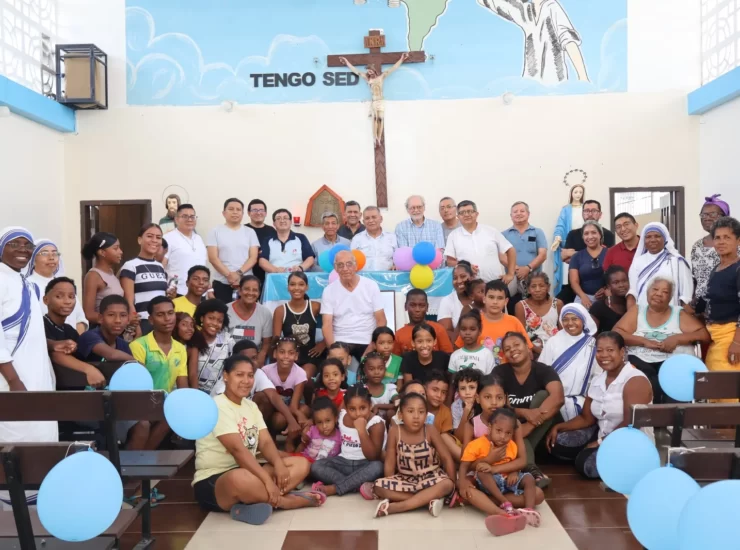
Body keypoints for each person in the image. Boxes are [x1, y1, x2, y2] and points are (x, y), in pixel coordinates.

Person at [192, 354, 322, 523]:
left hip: (249, 471)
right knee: (240, 478)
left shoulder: (251, 406)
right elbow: (237, 451)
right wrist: (267, 480)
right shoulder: (217, 406)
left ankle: (251, 503)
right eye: (239, 375)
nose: (246, 381)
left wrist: (278, 464)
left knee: (301, 464)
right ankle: (286, 501)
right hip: (215, 480)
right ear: (226, 376)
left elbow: (266, 442)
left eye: (250, 375)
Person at [545, 332, 653, 480]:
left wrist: (600, 442)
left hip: (630, 442)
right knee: (557, 443)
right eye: (599, 350)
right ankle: (591, 453)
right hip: (603, 435)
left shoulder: (635, 380)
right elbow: (586, 418)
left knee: (586, 465)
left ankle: (624, 463)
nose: (604, 355)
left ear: (622, 351)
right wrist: (559, 427)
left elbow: (632, 423)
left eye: (610, 350)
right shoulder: (598, 380)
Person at [615, 277, 711, 403]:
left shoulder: (678, 313)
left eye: (665, 292)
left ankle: (673, 413)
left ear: (670, 297)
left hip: (674, 362)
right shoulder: (638, 310)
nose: (659, 294)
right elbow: (617, 334)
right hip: (641, 360)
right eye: (655, 289)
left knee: (673, 384)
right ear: (647, 292)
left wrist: (677, 339)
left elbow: (704, 335)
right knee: (643, 378)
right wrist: (644, 341)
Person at [457, 377, 533, 536]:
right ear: (478, 398)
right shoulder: (472, 424)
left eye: (499, 398)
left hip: (505, 476)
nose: (494, 402)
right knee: (468, 489)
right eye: (487, 397)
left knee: (537, 494)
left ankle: (487, 503)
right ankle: (502, 513)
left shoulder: (514, 424)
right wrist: (488, 460)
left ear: (505, 398)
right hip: (482, 477)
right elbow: (466, 462)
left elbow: (522, 460)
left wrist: (499, 469)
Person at [495, 332, 565, 487]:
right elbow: (496, 403)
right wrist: (523, 413)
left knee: (543, 396)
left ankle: (522, 461)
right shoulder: (500, 372)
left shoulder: (543, 370)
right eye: (507, 349)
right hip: (513, 431)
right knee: (509, 425)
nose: (513, 350)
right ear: (504, 354)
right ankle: (532, 470)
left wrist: (530, 424)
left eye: (517, 345)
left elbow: (558, 397)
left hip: (542, 433)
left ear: (528, 347)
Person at [460, 408, 543, 535]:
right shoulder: (477, 445)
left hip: (508, 481)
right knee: (482, 472)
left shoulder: (511, 445)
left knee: (529, 478)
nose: (503, 437)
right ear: (490, 427)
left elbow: (516, 463)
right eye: (499, 431)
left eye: (508, 433)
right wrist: (462, 482)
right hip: (491, 483)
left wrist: (514, 472)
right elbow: (464, 465)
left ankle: (528, 511)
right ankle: (504, 502)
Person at [372, 392, 456, 518]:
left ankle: (400, 506)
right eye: (410, 411)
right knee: (378, 487)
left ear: (426, 415)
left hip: (431, 478)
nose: (416, 416)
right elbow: (390, 461)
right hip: (406, 479)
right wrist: (390, 482)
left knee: (447, 484)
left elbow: (446, 458)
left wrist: (453, 486)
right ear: (400, 415)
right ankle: (426, 500)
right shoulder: (395, 431)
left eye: (421, 412)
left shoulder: (430, 430)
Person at [210, 339, 303, 443]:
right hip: (224, 426)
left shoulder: (257, 372)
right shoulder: (223, 386)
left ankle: (262, 439)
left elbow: (273, 395)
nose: (251, 362)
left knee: (264, 397)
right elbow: (223, 415)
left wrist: (291, 421)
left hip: (245, 420)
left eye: (254, 358)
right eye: (246, 358)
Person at [477, 0, 589, 85]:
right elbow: (494, 3)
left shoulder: (552, 7)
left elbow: (569, 42)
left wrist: (583, 77)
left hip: (554, 86)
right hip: (530, 86)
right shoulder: (526, 11)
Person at [309, 385, 385, 497]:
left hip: (364, 464)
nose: (358, 413)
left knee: (378, 467)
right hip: (343, 462)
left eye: (362, 408)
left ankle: (336, 488)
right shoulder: (342, 416)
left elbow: (373, 457)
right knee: (316, 466)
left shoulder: (376, 423)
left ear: (370, 406)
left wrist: (362, 431)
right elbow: (325, 419)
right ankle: (354, 484)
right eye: (352, 409)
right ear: (346, 407)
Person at [321, 250, 386, 360]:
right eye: (340, 265)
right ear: (335, 268)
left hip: (367, 340)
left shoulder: (371, 286)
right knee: (335, 366)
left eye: (349, 264)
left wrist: (373, 345)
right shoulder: (329, 290)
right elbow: (326, 325)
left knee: (372, 365)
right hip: (340, 341)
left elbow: (381, 320)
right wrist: (334, 351)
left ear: (355, 266)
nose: (345, 268)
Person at [540, 304, 600, 421]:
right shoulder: (553, 342)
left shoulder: (592, 344)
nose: (570, 323)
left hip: (583, 402)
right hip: (552, 399)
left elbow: (597, 375)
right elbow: (542, 370)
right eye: (565, 320)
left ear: (583, 320)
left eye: (574, 319)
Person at [43, 277, 106, 388]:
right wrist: (89, 369)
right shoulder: (40, 325)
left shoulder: (69, 330)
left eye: (71, 297)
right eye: (59, 296)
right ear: (46, 300)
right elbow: (55, 354)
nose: (67, 301)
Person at [455, 280, 533, 366]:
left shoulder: (514, 322)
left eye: (500, 298)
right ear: (484, 299)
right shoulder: (474, 322)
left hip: (508, 370)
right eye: (491, 297)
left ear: (506, 301)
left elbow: (527, 350)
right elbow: (459, 348)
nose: (495, 302)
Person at [445, 200, 516, 291]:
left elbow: (510, 250)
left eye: (470, 211)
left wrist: (510, 274)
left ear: (476, 214)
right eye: (462, 213)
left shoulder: (491, 231)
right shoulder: (453, 236)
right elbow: (450, 261)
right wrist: (466, 266)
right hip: (469, 286)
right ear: (458, 216)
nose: (466, 215)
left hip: (494, 283)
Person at [26, 239, 88, 333]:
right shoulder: (28, 285)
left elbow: (80, 319)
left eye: (55, 253)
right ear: (33, 259)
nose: (51, 257)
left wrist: (75, 339)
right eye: (44, 253)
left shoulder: (65, 285)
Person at [559, 200, 616, 303]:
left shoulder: (608, 235)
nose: (590, 214)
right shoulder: (573, 234)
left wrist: (576, 255)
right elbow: (565, 257)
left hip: (603, 288)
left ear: (600, 214)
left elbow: (610, 260)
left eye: (593, 211)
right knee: (558, 303)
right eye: (586, 211)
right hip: (576, 286)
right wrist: (582, 256)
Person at [704, 217, 740, 375]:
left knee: (726, 384)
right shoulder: (716, 269)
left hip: (731, 336)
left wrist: (737, 343)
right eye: (717, 238)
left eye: (727, 237)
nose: (721, 242)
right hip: (715, 336)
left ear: (738, 240)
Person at [627, 222, 693, 308]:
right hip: (643, 311)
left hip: (671, 311)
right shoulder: (637, 262)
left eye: (657, 236)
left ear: (665, 239)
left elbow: (686, 294)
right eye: (648, 237)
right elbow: (633, 292)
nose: (653, 240)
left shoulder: (677, 261)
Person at [130, 296, 189, 392]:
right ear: (151, 320)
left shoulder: (180, 348)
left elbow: (183, 390)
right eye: (160, 315)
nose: (167, 318)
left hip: (168, 401)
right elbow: (138, 387)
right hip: (143, 400)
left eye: (170, 313)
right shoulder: (138, 346)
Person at [262, 338, 311, 451]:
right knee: (279, 419)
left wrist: (298, 414)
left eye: (291, 353)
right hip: (274, 409)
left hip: (291, 406)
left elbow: (294, 406)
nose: (286, 356)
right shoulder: (266, 371)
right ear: (275, 353)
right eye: (282, 352)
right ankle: (271, 437)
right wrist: (297, 415)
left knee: (304, 410)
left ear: (296, 356)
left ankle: (290, 440)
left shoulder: (300, 373)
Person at [207, 198, 260, 303]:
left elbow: (253, 257)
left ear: (243, 213)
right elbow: (213, 258)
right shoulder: (215, 231)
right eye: (231, 209)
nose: (235, 212)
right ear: (224, 213)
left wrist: (238, 274)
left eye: (238, 209)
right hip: (222, 282)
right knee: (222, 312)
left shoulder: (250, 232)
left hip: (246, 283)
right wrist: (229, 275)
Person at [272, 271, 323, 380]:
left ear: (307, 287)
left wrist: (323, 344)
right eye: (292, 284)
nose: (296, 288)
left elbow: (332, 324)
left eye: (301, 284)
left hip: (309, 357)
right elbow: (276, 339)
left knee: (303, 377)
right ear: (288, 287)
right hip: (288, 356)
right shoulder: (280, 310)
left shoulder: (315, 307)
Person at [120, 223, 169, 335]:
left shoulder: (160, 266)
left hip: (161, 322)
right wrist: (136, 326)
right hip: (143, 322)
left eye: (158, 237)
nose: (154, 240)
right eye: (149, 236)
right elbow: (128, 301)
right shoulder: (130, 266)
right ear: (139, 240)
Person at [502, 201, 548, 312]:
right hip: (512, 280)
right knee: (512, 309)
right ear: (511, 215)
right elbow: (501, 256)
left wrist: (528, 268)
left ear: (528, 214)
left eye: (522, 211)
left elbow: (542, 255)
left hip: (534, 280)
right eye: (515, 212)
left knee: (535, 310)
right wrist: (515, 268)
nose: (519, 213)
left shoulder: (537, 232)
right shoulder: (504, 234)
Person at [691, 195, 737, 306]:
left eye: (713, 214)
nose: (707, 218)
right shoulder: (697, 246)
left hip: (728, 306)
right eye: (704, 215)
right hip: (701, 307)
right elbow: (696, 279)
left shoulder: (735, 244)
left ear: (725, 217)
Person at [188, 299, 234, 394]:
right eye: (211, 318)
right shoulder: (193, 338)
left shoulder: (227, 340)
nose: (215, 323)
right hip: (195, 390)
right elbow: (192, 374)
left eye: (219, 321)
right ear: (202, 318)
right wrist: (197, 396)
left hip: (219, 392)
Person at [227, 276, 272, 368]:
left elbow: (266, 343)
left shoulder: (265, 313)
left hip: (254, 362)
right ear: (239, 290)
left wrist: (260, 359)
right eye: (247, 289)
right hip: (229, 359)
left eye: (255, 290)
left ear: (259, 293)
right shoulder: (226, 310)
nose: (251, 293)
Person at [514, 272, 562, 356]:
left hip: (555, 349)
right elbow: (521, 334)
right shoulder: (521, 306)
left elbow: (563, 331)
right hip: (531, 351)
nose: (537, 289)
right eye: (533, 286)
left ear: (548, 287)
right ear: (528, 289)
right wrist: (536, 349)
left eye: (541, 286)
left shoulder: (557, 304)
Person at [81, 232, 124, 325]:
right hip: (102, 329)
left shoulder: (111, 273)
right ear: (102, 252)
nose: (120, 252)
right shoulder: (93, 276)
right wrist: (115, 320)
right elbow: (88, 313)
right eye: (115, 248)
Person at [76, 295, 135, 362]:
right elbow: (112, 355)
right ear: (100, 318)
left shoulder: (123, 344)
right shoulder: (89, 336)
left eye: (123, 315)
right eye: (111, 315)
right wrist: (137, 362)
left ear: (128, 320)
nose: (118, 320)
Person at [394, 289, 453, 355]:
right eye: (413, 305)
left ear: (427, 307)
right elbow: (395, 359)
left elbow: (448, 355)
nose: (417, 310)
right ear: (405, 306)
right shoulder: (399, 334)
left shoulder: (438, 329)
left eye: (422, 305)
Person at [166, 204, 208, 296]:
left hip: (200, 293)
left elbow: (203, 266)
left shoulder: (198, 239)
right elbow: (161, 265)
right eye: (185, 216)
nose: (189, 219)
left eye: (192, 217)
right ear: (176, 219)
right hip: (177, 292)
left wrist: (210, 290)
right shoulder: (168, 238)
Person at [552, 184, 585, 297]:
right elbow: (560, 225)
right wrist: (558, 237)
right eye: (575, 192)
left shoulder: (585, 208)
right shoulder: (566, 209)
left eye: (580, 192)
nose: (578, 194)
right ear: (571, 193)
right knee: (568, 270)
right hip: (570, 242)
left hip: (584, 242)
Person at [258, 209, 315, 274]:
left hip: (297, 277)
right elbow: (262, 261)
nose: (282, 221)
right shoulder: (267, 240)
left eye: (285, 218)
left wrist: (300, 268)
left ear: (290, 222)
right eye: (278, 218)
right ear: (274, 223)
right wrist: (275, 270)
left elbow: (310, 258)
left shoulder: (301, 238)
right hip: (274, 277)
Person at [568, 221, 608, 309]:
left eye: (594, 232)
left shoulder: (609, 253)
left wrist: (606, 290)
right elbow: (574, 282)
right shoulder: (576, 257)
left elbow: (615, 276)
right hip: (583, 297)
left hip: (607, 296)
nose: (590, 236)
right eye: (586, 233)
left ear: (600, 234)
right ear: (582, 237)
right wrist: (583, 297)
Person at [292, 397, 342, 463]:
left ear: (335, 419)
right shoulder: (312, 430)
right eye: (319, 422)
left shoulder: (340, 437)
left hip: (324, 466)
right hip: (305, 461)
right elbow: (302, 446)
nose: (324, 426)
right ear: (315, 422)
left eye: (328, 421)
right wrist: (294, 457)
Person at [448, 310, 496, 376]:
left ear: (480, 330)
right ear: (459, 331)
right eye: (463, 329)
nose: (467, 333)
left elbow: (490, 379)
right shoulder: (455, 355)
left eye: (472, 329)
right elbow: (452, 379)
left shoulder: (487, 354)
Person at [350, 206, 397, 271]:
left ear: (381, 219)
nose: (371, 220)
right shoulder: (357, 239)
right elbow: (351, 260)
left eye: (374, 217)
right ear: (363, 221)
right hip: (363, 277)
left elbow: (398, 259)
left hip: (388, 276)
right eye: (367, 218)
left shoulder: (392, 237)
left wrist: (396, 265)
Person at [437, 261, 474, 339]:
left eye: (463, 276)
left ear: (472, 277)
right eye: (455, 278)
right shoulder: (447, 300)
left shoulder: (482, 297)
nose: (459, 281)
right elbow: (446, 333)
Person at [245, 199, 278, 287]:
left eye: (261, 210)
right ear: (248, 213)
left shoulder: (272, 231)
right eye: (254, 210)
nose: (258, 213)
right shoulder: (243, 230)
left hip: (268, 273)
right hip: (247, 272)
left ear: (266, 213)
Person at [589, 266, 629, 333]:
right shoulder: (598, 307)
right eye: (616, 282)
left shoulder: (633, 304)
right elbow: (592, 334)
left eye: (624, 281)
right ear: (608, 286)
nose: (621, 285)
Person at [360, 352, 397, 418]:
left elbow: (398, 403)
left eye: (380, 368)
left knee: (391, 412)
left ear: (385, 370)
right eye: (371, 369)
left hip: (387, 422)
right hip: (368, 421)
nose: (376, 372)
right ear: (365, 371)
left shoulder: (389, 388)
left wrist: (378, 406)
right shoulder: (361, 389)